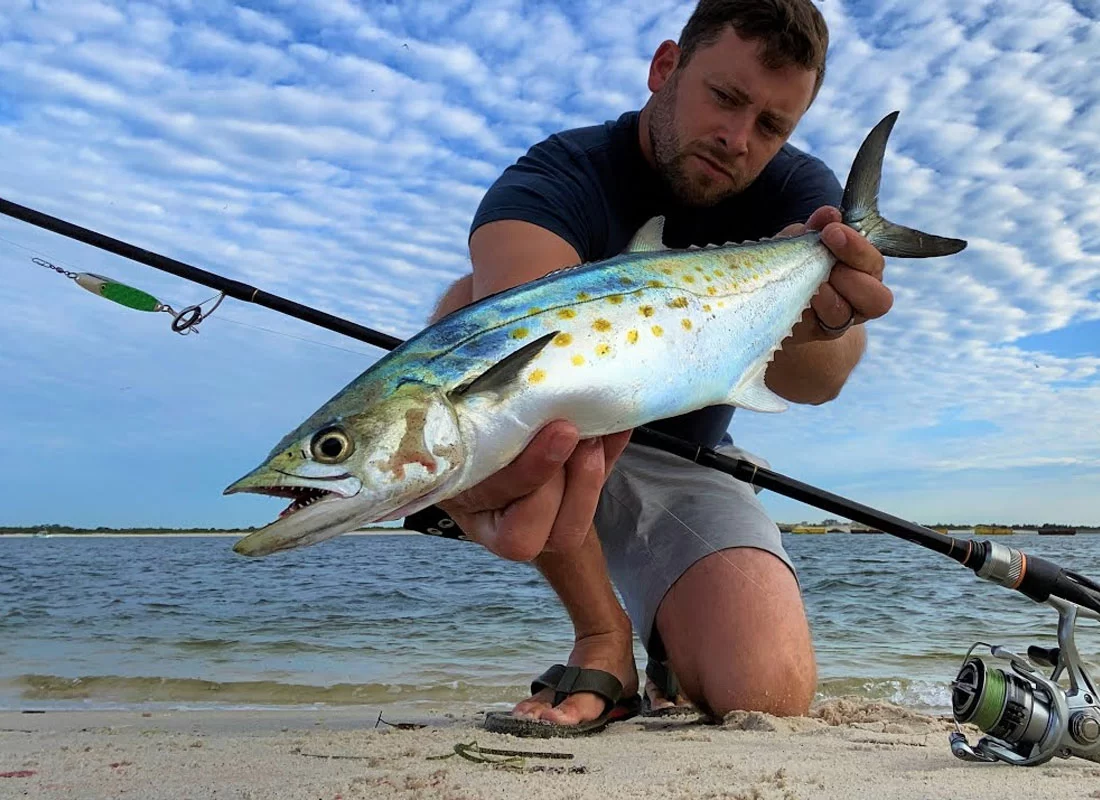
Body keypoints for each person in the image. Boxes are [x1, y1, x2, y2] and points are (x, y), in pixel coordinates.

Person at [423, 0, 892, 736]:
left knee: (764, 689)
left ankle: (676, 646)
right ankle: (603, 639)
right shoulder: (558, 174)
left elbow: (822, 382)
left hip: (689, 453)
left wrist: (822, 314)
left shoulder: (801, 195)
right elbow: (518, 354)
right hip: (555, 437)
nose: (739, 139)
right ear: (665, 67)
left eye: (771, 126)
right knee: (475, 327)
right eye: (726, 98)